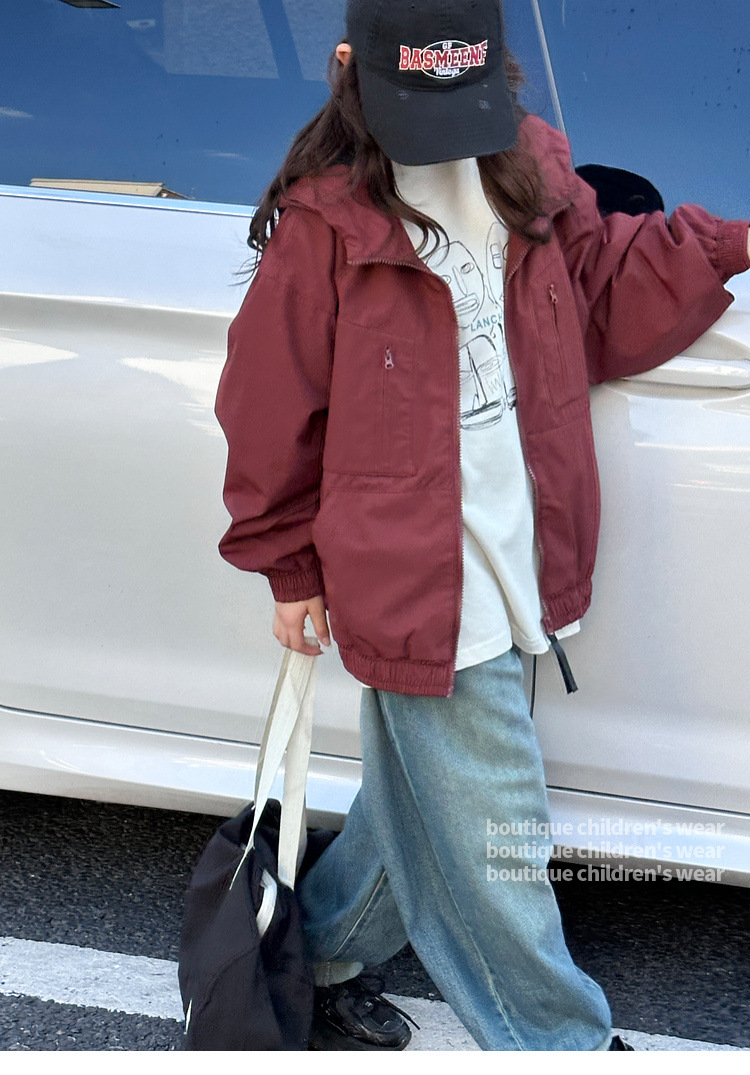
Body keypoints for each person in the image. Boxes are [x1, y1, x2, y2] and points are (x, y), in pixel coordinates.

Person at [214, 0, 750, 1052]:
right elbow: (270, 404)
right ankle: (558, 1041)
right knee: (497, 816)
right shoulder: (327, 222)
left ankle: (315, 958)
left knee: (423, 802)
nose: (440, 134)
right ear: (348, 68)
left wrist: (728, 244)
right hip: (414, 572)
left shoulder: (525, 169)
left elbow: (602, 292)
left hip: (516, 545)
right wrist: (288, 565)